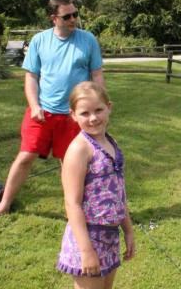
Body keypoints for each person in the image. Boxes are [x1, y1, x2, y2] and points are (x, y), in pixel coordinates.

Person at [0, 0, 104, 219]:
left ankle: (75, 211)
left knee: (70, 163)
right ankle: (4, 204)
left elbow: (97, 75)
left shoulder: (88, 40)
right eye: (67, 16)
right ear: (53, 18)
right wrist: (34, 105)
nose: (73, 19)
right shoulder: (39, 41)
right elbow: (31, 77)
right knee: (25, 156)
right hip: (42, 113)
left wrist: (98, 107)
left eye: (75, 14)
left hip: (73, 116)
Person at [56, 81, 135, 289]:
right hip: (88, 238)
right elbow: (72, 204)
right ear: (73, 115)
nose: (93, 118)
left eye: (98, 110)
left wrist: (127, 229)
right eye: (84, 113)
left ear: (109, 107)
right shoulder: (79, 150)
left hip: (110, 237)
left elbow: (119, 191)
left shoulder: (111, 142)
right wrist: (86, 251)